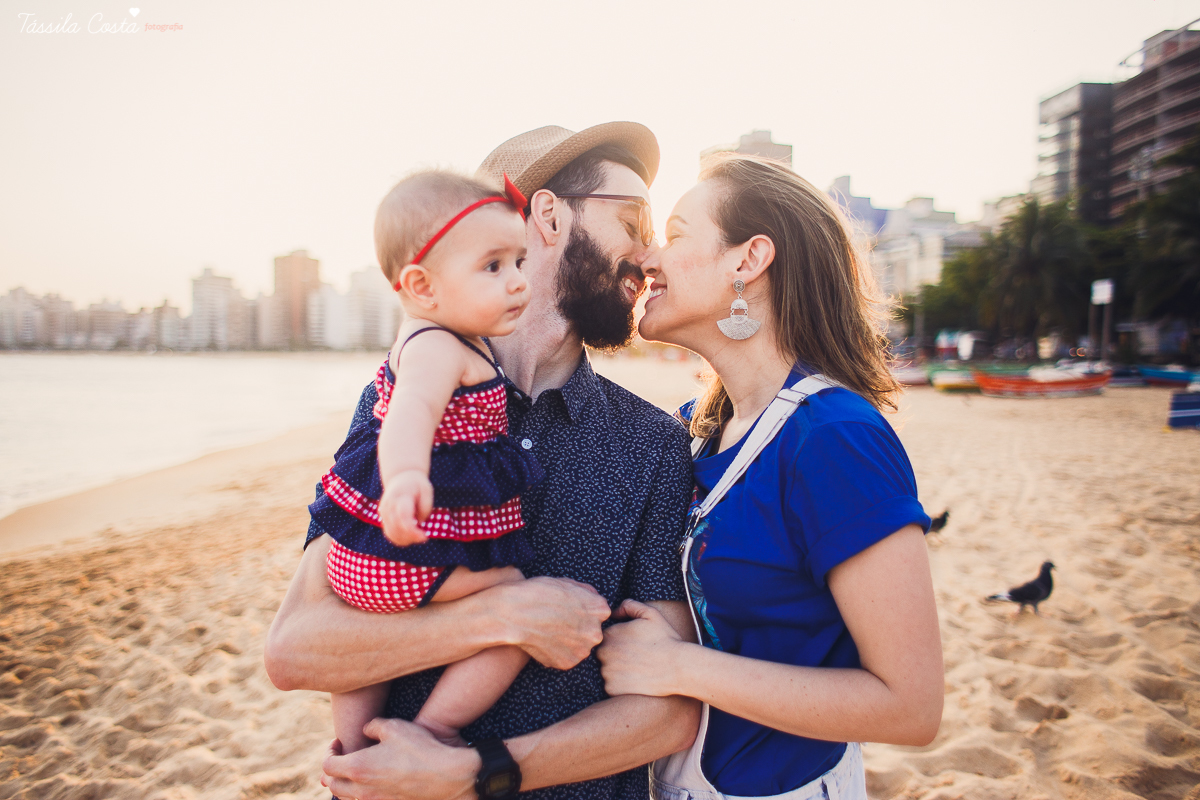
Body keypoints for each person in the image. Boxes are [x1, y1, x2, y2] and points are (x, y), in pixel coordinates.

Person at [264, 123, 701, 800]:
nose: (649, 253)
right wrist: (505, 618)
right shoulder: (405, 400)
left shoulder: (654, 444)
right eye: (633, 218)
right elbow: (296, 650)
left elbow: (669, 715)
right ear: (549, 217)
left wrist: (475, 772)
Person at [596, 154, 944, 800]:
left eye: (674, 236)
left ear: (748, 260)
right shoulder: (694, 433)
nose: (648, 258)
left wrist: (681, 668)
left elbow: (912, 706)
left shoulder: (834, 439)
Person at [311, 170, 544, 755]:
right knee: (517, 606)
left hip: (362, 561)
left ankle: (351, 745)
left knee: (371, 650)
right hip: (406, 561)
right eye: (493, 267)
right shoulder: (440, 347)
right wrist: (407, 477)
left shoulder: (430, 334)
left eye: (520, 261)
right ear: (421, 285)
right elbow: (409, 411)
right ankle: (436, 726)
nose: (518, 282)